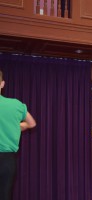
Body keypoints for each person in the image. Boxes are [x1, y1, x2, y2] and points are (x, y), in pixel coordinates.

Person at [0, 70, 36, 200]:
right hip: (7, 161)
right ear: (2, 84)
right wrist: (17, 126)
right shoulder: (16, 104)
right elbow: (31, 123)